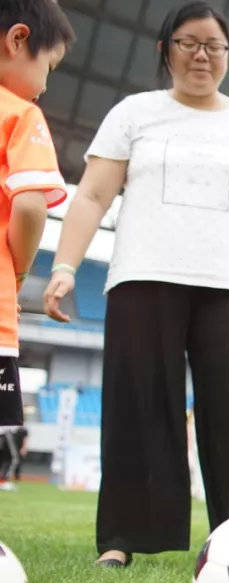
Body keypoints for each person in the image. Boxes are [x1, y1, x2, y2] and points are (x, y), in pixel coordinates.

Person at [43, 2, 229, 568]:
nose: (202, 56)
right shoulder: (135, 113)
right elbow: (91, 195)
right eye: (189, 43)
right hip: (142, 276)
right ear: (166, 51)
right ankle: (123, 536)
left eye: (214, 46)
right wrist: (65, 266)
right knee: (139, 407)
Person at [0, 0, 74, 492]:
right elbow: (29, 206)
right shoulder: (21, 113)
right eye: (50, 66)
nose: (47, 82)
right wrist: (20, 273)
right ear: (18, 40)